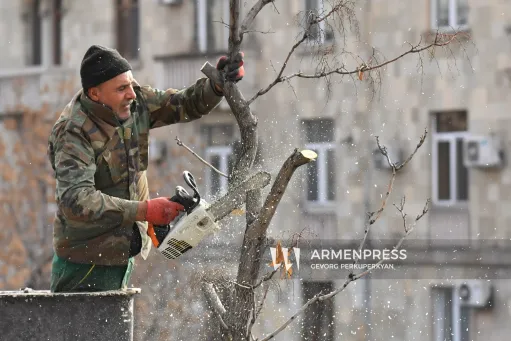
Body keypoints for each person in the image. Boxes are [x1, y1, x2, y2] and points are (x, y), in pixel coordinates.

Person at [47, 45, 244, 292]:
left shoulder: (134, 102)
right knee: (84, 330)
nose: (131, 93)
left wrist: (216, 86)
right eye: (121, 88)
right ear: (95, 94)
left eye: (130, 84)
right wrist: (145, 210)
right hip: (84, 264)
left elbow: (183, 104)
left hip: (119, 256)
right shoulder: (73, 131)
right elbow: (75, 201)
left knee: (114, 330)